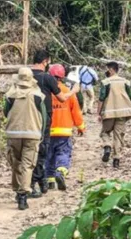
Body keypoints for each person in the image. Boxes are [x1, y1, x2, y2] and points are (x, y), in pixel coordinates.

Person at [30, 50, 80, 198]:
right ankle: (58, 172)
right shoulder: (52, 83)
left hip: (30, 122)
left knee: (43, 154)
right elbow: (74, 108)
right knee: (60, 152)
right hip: (54, 127)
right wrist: (80, 126)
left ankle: (46, 179)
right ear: (45, 61)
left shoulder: (24, 78)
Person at [4, 67, 48, 210]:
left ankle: (17, 190)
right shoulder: (38, 96)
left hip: (13, 134)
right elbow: (44, 117)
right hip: (32, 134)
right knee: (27, 165)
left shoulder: (10, 96)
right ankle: (23, 195)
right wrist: (41, 133)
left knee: (16, 163)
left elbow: (6, 113)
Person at [46, 64, 85, 191]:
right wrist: (81, 127)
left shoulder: (46, 92)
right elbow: (76, 112)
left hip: (48, 131)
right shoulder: (68, 93)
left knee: (49, 154)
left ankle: (49, 180)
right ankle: (61, 172)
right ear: (63, 77)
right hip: (64, 130)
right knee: (63, 152)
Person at [97, 62, 131, 169]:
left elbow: (101, 98)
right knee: (118, 136)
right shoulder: (125, 82)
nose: (106, 71)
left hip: (109, 112)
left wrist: (99, 113)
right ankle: (116, 159)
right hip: (122, 113)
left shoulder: (106, 82)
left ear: (111, 70)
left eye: (107, 69)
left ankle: (107, 147)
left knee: (104, 133)